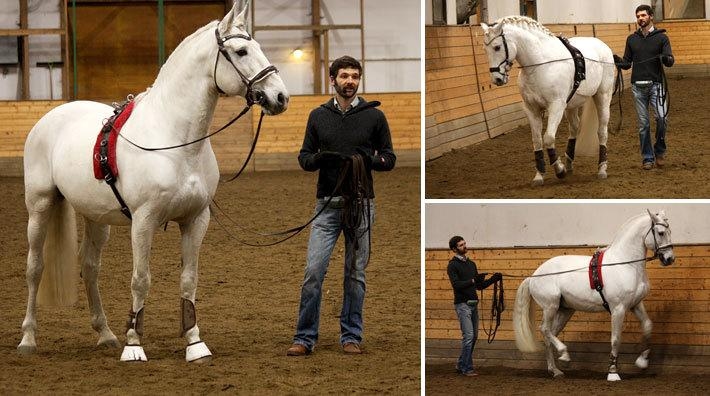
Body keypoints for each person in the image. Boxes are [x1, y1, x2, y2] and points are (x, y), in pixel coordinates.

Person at [286, 55, 396, 356]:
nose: (350, 81)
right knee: (313, 272)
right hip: (327, 206)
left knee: (355, 275)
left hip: (361, 206)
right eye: (344, 76)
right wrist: (322, 158)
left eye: (355, 76)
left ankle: (351, 336)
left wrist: (365, 160)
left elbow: (390, 159)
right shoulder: (318, 116)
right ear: (332, 80)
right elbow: (305, 158)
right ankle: (304, 337)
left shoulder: (374, 117)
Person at [615, 4, 674, 170]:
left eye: (643, 15)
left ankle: (660, 151)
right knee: (644, 125)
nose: (640, 18)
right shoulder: (632, 39)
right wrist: (617, 60)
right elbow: (627, 63)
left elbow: (670, 60)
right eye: (638, 16)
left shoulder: (662, 38)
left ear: (651, 16)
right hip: (638, 88)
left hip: (657, 85)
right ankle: (647, 157)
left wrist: (667, 59)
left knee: (662, 119)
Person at [446, 236, 501, 376]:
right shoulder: (452, 265)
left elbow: (479, 286)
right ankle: (467, 368)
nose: (464, 246)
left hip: (473, 303)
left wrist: (493, 280)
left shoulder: (471, 264)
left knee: (474, 336)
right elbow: (456, 285)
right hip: (462, 304)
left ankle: (460, 363)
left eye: (464, 244)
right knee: (469, 336)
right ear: (454, 249)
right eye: (461, 245)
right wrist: (472, 280)